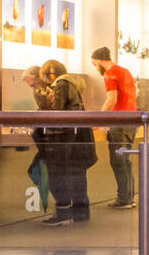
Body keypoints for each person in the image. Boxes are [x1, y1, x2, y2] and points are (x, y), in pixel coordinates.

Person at [39, 59, 98, 225]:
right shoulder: (72, 83)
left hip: (68, 138)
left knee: (61, 174)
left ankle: (64, 213)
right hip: (80, 136)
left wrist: (46, 102)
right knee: (78, 175)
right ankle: (81, 212)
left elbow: (57, 110)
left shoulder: (62, 83)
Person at [90, 47, 138, 209]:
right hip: (132, 121)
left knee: (118, 161)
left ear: (100, 60)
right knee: (125, 160)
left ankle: (124, 199)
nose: (96, 68)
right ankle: (129, 197)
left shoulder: (109, 74)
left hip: (119, 122)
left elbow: (111, 99)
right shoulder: (125, 71)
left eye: (95, 64)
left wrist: (99, 120)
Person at [23, 65, 55, 213]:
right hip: (51, 138)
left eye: (30, 81)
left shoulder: (40, 90)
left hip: (47, 139)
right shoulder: (49, 87)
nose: (29, 85)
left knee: (39, 170)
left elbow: (45, 110)